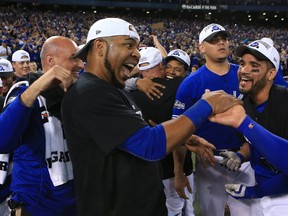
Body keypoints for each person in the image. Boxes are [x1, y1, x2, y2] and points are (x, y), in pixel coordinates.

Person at [61, 17, 241, 216]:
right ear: (100, 46)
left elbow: (134, 135)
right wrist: (206, 105)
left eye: (137, 47)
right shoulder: (90, 93)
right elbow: (149, 145)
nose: (137, 54)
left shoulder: (113, 90)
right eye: (128, 45)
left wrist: (184, 136)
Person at [172, 23, 255, 216]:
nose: (221, 43)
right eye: (214, 40)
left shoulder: (244, 75)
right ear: (201, 47)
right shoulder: (191, 83)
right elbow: (179, 131)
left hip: (245, 158)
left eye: (224, 39)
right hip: (209, 160)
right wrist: (179, 171)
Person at [0, 36, 83, 215]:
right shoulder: (24, 91)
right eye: (73, 58)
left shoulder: (78, 93)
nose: (80, 64)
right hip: (36, 204)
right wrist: (37, 86)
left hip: (75, 203)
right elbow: (3, 140)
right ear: (51, 61)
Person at [218, 38, 288, 215]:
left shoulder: (285, 103)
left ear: (271, 74)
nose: (244, 70)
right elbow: (254, 142)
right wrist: (241, 155)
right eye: (242, 64)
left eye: (254, 66)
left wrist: (255, 192)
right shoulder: (244, 103)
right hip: (261, 186)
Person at [130, 47, 197, 215]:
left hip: (152, 167)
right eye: (169, 67)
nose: (172, 72)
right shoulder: (180, 86)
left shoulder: (127, 94)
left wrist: (135, 81)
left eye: (178, 69)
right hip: (174, 167)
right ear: (162, 66)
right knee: (182, 208)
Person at [208, 105, 288, 176]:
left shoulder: (281, 99)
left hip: (272, 184)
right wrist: (242, 155)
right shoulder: (249, 99)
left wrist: (243, 123)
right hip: (260, 176)